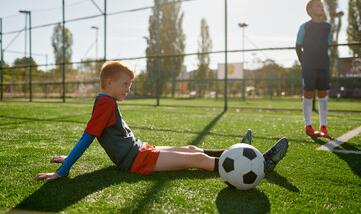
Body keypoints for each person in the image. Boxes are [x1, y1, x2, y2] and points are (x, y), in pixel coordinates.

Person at [34, 61, 288, 181]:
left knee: (192, 149)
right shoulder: (105, 103)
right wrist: (62, 170)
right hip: (136, 161)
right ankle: (260, 164)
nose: (128, 90)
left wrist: (67, 158)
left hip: (141, 150)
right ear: (108, 83)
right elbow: (87, 137)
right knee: (198, 160)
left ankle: (240, 151)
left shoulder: (105, 101)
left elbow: (93, 135)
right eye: (125, 85)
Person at [296, 0, 332, 138]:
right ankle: (308, 126)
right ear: (310, 11)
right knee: (308, 93)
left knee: (322, 94)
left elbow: (327, 44)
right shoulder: (305, 27)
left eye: (322, 5)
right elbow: (298, 46)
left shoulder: (327, 27)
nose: (321, 7)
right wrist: (304, 62)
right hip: (308, 65)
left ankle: (323, 126)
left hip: (323, 64)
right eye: (318, 5)